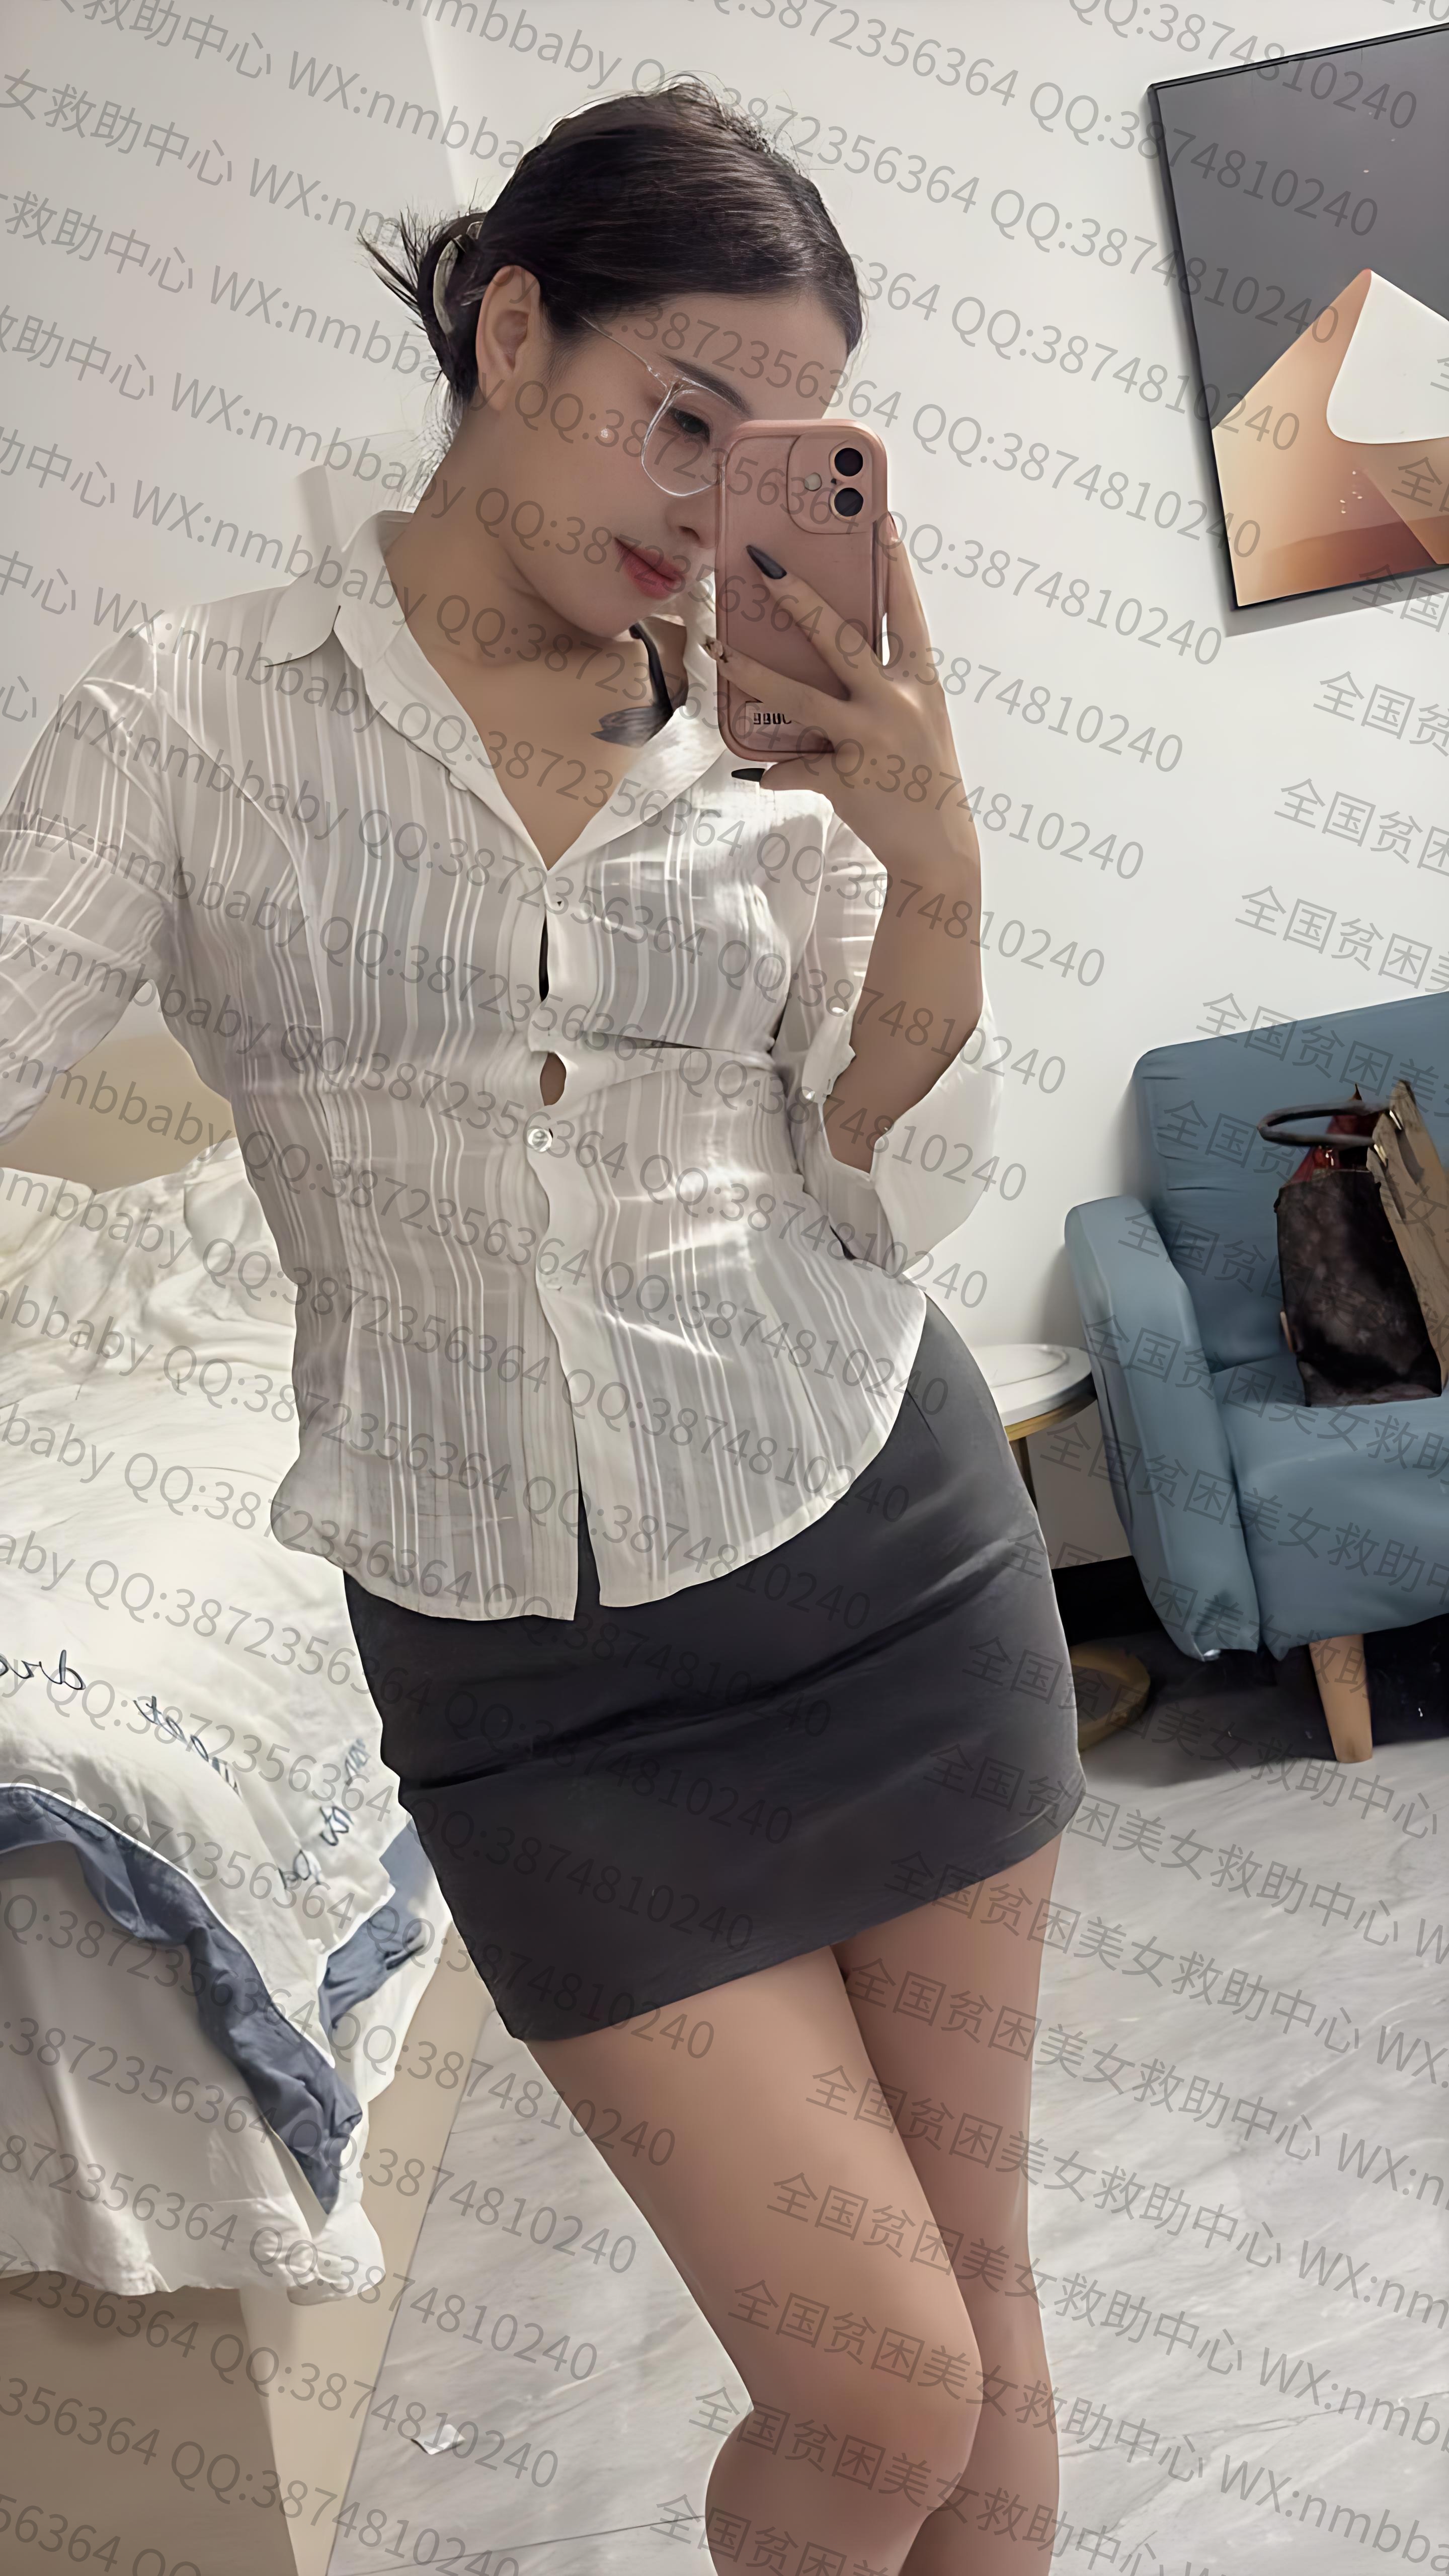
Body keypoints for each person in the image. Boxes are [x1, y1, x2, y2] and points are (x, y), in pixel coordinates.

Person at [0, 80, 1084, 2575]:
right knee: (876, 2380)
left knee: (988, 2313)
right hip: (529, 1676)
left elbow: (887, 1176)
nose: (712, 511)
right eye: (681, 415)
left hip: (885, 1554)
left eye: (774, 455)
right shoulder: (189, 713)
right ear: (513, 333)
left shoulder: (783, 723)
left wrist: (932, 863)